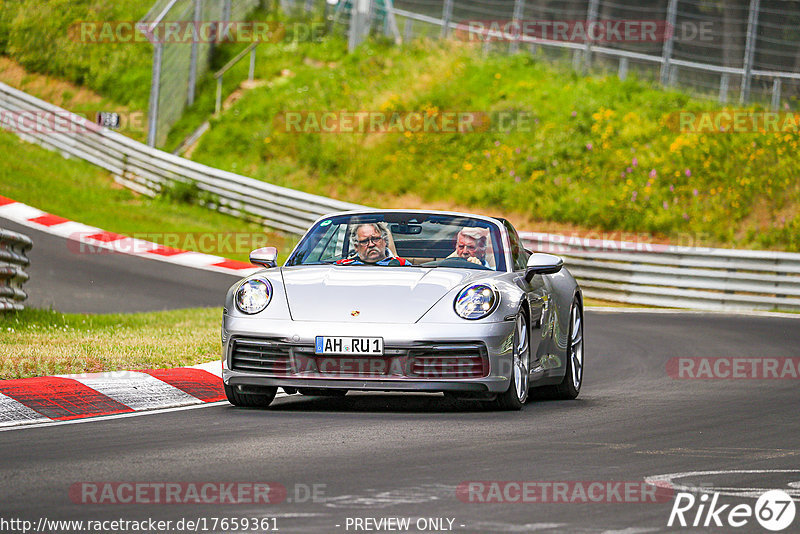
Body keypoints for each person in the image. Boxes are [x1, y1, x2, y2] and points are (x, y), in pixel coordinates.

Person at [335, 222, 411, 266]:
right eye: (364, 241)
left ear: (384, 241)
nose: (371, 244)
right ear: (356, 247)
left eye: (375, 239)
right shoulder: (342, 265)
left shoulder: (402, 264)